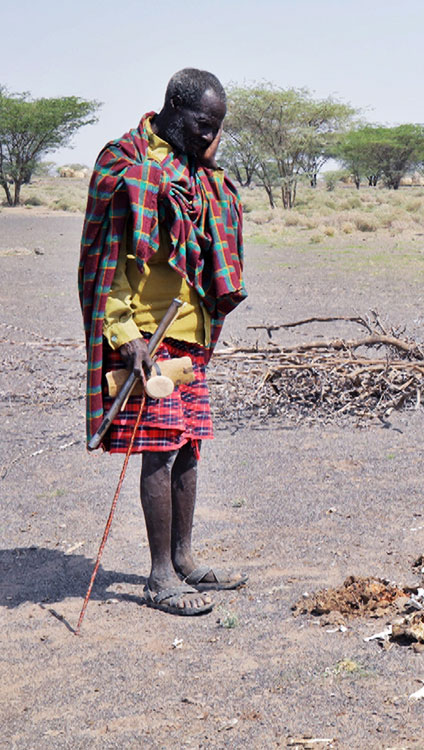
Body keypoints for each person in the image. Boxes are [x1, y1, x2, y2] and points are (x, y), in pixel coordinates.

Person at [78, 68, 248, 616]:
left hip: (189, 334)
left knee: (189, 445)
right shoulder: (125, 164)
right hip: (147, 337)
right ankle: (156, 576)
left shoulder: (198, 174)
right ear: (173, 110)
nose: (208, 137)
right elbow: (108, 267)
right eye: (202, 125)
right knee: (157, 450)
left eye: (216, 128)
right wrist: (126, 338)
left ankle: (184, 558)